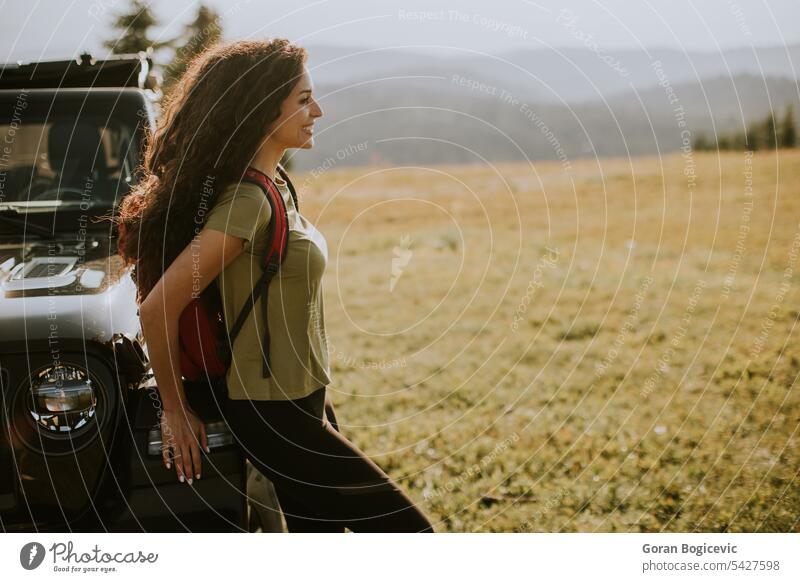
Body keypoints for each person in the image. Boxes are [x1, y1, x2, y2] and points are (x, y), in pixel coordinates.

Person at [117, 38, 434, 533]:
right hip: (268, 411)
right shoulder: (246, 204)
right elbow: (158, 308)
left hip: (304, 396)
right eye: (304, 100)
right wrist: (174, 412)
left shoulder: (276, 184)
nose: (319, 111)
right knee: (407, 529)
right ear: (265, 113)